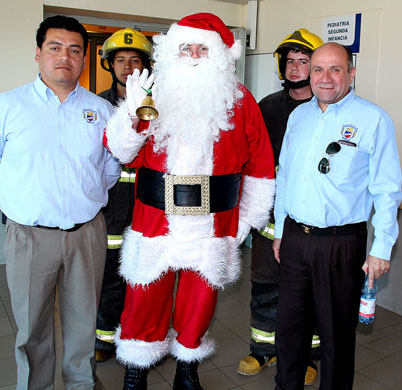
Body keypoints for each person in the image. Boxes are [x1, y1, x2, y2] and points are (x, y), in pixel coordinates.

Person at [104, 12, 275, 390]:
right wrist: (130, 115)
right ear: (172, 52)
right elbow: (120, 150)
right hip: (155, 220)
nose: (195, 55)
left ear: (219, 55)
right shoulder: (152, 96)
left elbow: (261, 165)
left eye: (203, 48)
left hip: (213, 225)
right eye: (186, 48)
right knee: (144, 296)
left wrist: (246, 219)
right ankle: (137, 366)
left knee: (199, 304)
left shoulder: (241, 101)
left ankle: (187, 367)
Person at [0, 15, 120, 389]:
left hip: (87, 235)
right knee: (32, 329)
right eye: (54, 48)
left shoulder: (102, 112)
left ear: (84, 58)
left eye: (74, 50)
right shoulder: (8, 106)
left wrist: (86, 198)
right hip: (29, 237)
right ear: (38, 54)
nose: (64, 57)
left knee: (84, 325)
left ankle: (81, 384)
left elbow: (112, 167)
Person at [273, 42, 401, 390]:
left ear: (351, 73)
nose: (325, 78)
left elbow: (387, 189)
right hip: (295, 238)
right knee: (288, 331)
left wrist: (382, 247)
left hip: (340, 243)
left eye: (335, 69)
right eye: (317, 70)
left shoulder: (373, 119)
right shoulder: (299, 116)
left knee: (335, 337)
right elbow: (285, 173)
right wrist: (280, 229)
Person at [237, 29, 323, 385]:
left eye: (304, 61)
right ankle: (263, 349)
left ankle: (309, 356)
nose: (295, 67)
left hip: (311, 224)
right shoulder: (267, 106)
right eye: (290, 61)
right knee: (265, 288)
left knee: (311, 292)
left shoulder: (327, 109)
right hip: (269, 221)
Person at [95, 28, 153, 363]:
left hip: (147, 205)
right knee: (108, 276)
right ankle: (104, 338)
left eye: (135, 60)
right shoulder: (97, 106)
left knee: (143, 277)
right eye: (121, 60)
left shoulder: (155, 106)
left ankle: (139, 339)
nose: (128, 67)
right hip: (109, 206)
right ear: (110, 65)